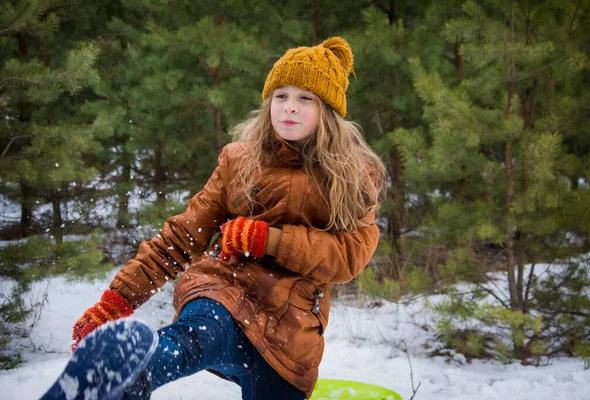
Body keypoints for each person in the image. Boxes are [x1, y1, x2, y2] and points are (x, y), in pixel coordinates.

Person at [70, 36, 386, 400]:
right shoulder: (238, 160)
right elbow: (181, 237)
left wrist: (268, 240)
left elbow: (349, 255)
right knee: (196, 335)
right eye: (280, 96)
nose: (290, 108)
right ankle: (124, 374)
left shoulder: (353, 175)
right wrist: (116, 301)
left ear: (328, 110)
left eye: (305, 98)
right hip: (225, 290)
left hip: (290, 329)